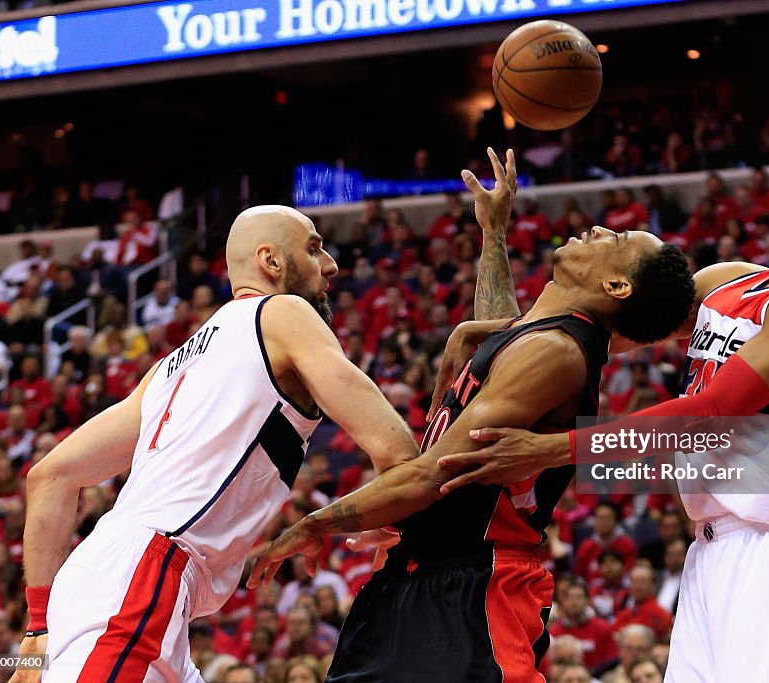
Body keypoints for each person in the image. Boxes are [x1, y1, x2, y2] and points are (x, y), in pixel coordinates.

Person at [434, 154, 769, 682]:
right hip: (710, 550)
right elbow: (546, 339)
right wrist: (495, 238)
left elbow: (712, 411)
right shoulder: (727, 283)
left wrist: (554, 448)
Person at [247, 148, 696, 681]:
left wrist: (316, 522)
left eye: (616, 241)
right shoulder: (535, 341)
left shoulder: (558, 352)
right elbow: (495, 336)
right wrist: (495, 232)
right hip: (421, 574)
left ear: (616, 287)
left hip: (473, 584)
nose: (599, 228)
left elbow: (435, 471)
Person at [9, 206, 421, 682]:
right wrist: (389, 513)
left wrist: (38, 629)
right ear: (270, 261)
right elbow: (394, 449)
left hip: (117, 581)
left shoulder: (167, 370)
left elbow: (50, 475)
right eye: (313, 247)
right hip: (145, 574)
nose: (329, 264)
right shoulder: (283, 312)